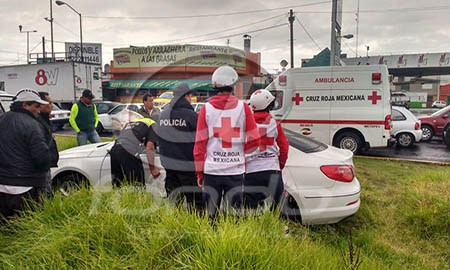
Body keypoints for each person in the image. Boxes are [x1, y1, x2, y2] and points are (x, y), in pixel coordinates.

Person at [194, 65, 260, 219]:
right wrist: (240, 155)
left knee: (211, 216)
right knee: (234, 217)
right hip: (235, 172)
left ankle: (211, 242)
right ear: (233, 85)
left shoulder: (206, 109)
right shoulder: (244, 108)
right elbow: (255, 140)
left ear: (215, 86)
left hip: (212, 172)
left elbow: (199, 145)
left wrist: (199, 172)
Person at [0, 88, 51, 220]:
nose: (39, 110)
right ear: (25, 105)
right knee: (27, 229)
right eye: (36, 106)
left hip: (3, 184)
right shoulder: (32, 125)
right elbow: (42, 158)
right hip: (26, 186)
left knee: (6, 229)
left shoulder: (2, 119)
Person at [158, 83, 203, 211]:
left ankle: (173, 227)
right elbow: (200, 140)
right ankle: (195, 227)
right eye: (190, 96)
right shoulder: (192, 116)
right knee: (195, 203)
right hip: (187, 167)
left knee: (173, 202)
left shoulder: (163, 115)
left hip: (169, 165)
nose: (191, 98)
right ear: (186, 96)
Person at [244, 89, 289, 210]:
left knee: (249, 210)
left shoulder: (245, 124)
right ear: (269, 105)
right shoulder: (274, 123)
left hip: (251, 172)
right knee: (279, 209)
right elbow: (284, 147)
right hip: (272, 170)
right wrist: (279, 165)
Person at [110, 117, 160, 187]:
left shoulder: (132, 122)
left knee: (118, 186)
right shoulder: (153, 125)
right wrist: (153, 169)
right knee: (137, 187)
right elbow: (150, 147)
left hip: (114, 150)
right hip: (128, 151)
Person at [38, 92, 60, 194]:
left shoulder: (45, 119)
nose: (51, 105)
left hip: (47, 163)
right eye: (49, 102)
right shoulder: (37, 122)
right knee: (45, 193)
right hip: (41, 166)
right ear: (40, 104)